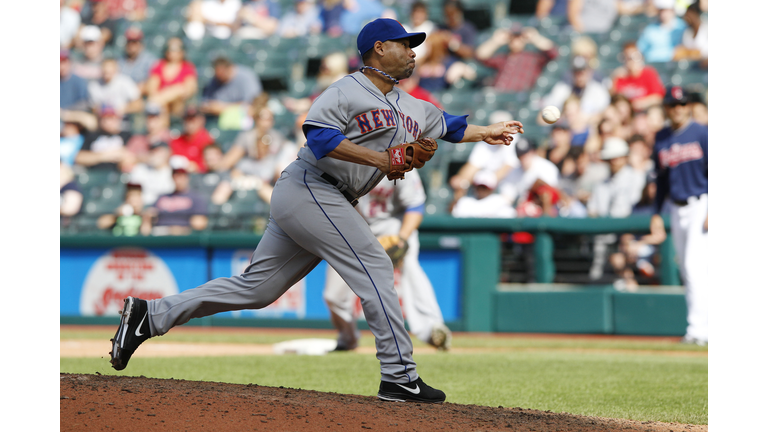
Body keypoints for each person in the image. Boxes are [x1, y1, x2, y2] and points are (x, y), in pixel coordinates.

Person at [109, 18, 524, 404]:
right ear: (379, 49)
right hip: (311, 186)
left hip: (326, 197)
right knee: (376, 264)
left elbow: (449, 126)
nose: (415, 51)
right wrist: (382, 161)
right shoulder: (346, 90)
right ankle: (399, 376)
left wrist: (488, 132)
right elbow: (320, 138)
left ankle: (148, 315)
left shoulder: (412, 105)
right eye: (405, 44)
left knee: (258, 289)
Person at [324, 170, 453, 351]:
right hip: (356, 226)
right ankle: (348, 338)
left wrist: (402, 239)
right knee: (333, 295)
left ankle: (432, 328)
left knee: (410, 266)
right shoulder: (347, 161)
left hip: (393, 225)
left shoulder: (401, 163)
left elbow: (415, 206)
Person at [645, 86, 708, 346]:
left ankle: (698, 330)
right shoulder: (661, 137)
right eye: (674, 105)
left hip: (702, 203)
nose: (679, 109)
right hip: (676, 206)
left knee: (695, 267)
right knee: (686, 268)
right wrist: (657, 212)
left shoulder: (702, 133)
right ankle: (700, 327)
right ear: (667, 108)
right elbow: (661, 181)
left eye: (683, 104)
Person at [476, 25, 557, 93]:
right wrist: (495, 41)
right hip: (498, 94)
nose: (515, 40)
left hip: (519, 98)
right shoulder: (504, 58)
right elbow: (481, 56)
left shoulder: (533, 58)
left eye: (518, 37)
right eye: (512, 37)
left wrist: (535, 38)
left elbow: (553, 53)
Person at [141, 167, 210, 236]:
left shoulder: (196, 198)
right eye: (176, 177)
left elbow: (199, 223)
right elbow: (149, 213)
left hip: (185, 236)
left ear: (187, 178)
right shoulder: (162, 197)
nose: (178, 180)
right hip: (161, 233)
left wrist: (179, 230)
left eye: (181, 177)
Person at [540, 55, 610, 120]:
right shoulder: (562, 88)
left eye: (582, 71)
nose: (579, 75)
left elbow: (604, 113)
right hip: (565, 128)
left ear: (589, 71)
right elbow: (545, 112)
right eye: (576, 72)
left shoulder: (598, 90)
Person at [200, 56, 263, 125]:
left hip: (244, 122)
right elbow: (206, 104)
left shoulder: (247, 76)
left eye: (222, 73)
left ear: (230, 68)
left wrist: (223, 108)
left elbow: (254, 105)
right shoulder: (214, 80)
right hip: (219, 121)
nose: (219, 76)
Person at [498, 138, 559, 208]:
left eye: (526, 154)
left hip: (546, 208)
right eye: (521, 155)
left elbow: (551, 195)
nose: (524, 158)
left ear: (533, 152)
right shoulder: (514, 170)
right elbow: (507, 196)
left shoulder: (547, 167)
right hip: (523, 209)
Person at [147, 37, 198, 119]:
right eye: (169, 48)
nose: (172, 51)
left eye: (175, 49)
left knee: (177, 93)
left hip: (178, 105)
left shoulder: (187, 67)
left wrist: (170, 93)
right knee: (162, 107)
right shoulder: (159, 66)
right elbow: (152, 90)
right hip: (161, 107)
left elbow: (188, 90)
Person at [75, 106, 135, 172]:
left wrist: (125, 158)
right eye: (105, 118)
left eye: (111, 118)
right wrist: (105, 156)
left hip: (117, 173)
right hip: (95, 173)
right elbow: (79, 158)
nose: (108, 122)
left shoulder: (126, 135)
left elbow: (134, 156)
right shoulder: (92, 135)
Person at [611, 42, 665, 112]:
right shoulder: (619, 76)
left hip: (645, 112)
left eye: (633, 57)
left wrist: (641, 103)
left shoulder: (648, 73)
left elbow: (658, 97)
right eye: (627, 57)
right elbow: (614, 98)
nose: (630, 61)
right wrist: (614, 78)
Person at [169, 106, 215, 173]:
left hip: (199, 177)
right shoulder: (177, 141)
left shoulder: (207, 140)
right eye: (187, 119)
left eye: (193, 119)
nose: (190, 123)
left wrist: (196, 167)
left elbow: (211, 164)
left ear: (201, 120)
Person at [451, 170, 516, 218]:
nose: (481, 190)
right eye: (479, 187)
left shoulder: (500, 202)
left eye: (484, 188)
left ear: (491, 189)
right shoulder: (465, 202)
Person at [118, 27, 158, 97]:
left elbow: (152, 84)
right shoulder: (120, 60)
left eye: (135, 42)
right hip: (121, 97)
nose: (132, 45)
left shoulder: (150, 60)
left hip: (141, 97)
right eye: (129, 42)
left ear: (141, 43)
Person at [673, 1, 707, 68]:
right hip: (689, 67)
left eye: (688, 14)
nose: (686, 17)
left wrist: (689, 53)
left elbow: (704, 54)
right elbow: (679, 52)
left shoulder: (706, 29)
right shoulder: (686, 32)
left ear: (695, 14)